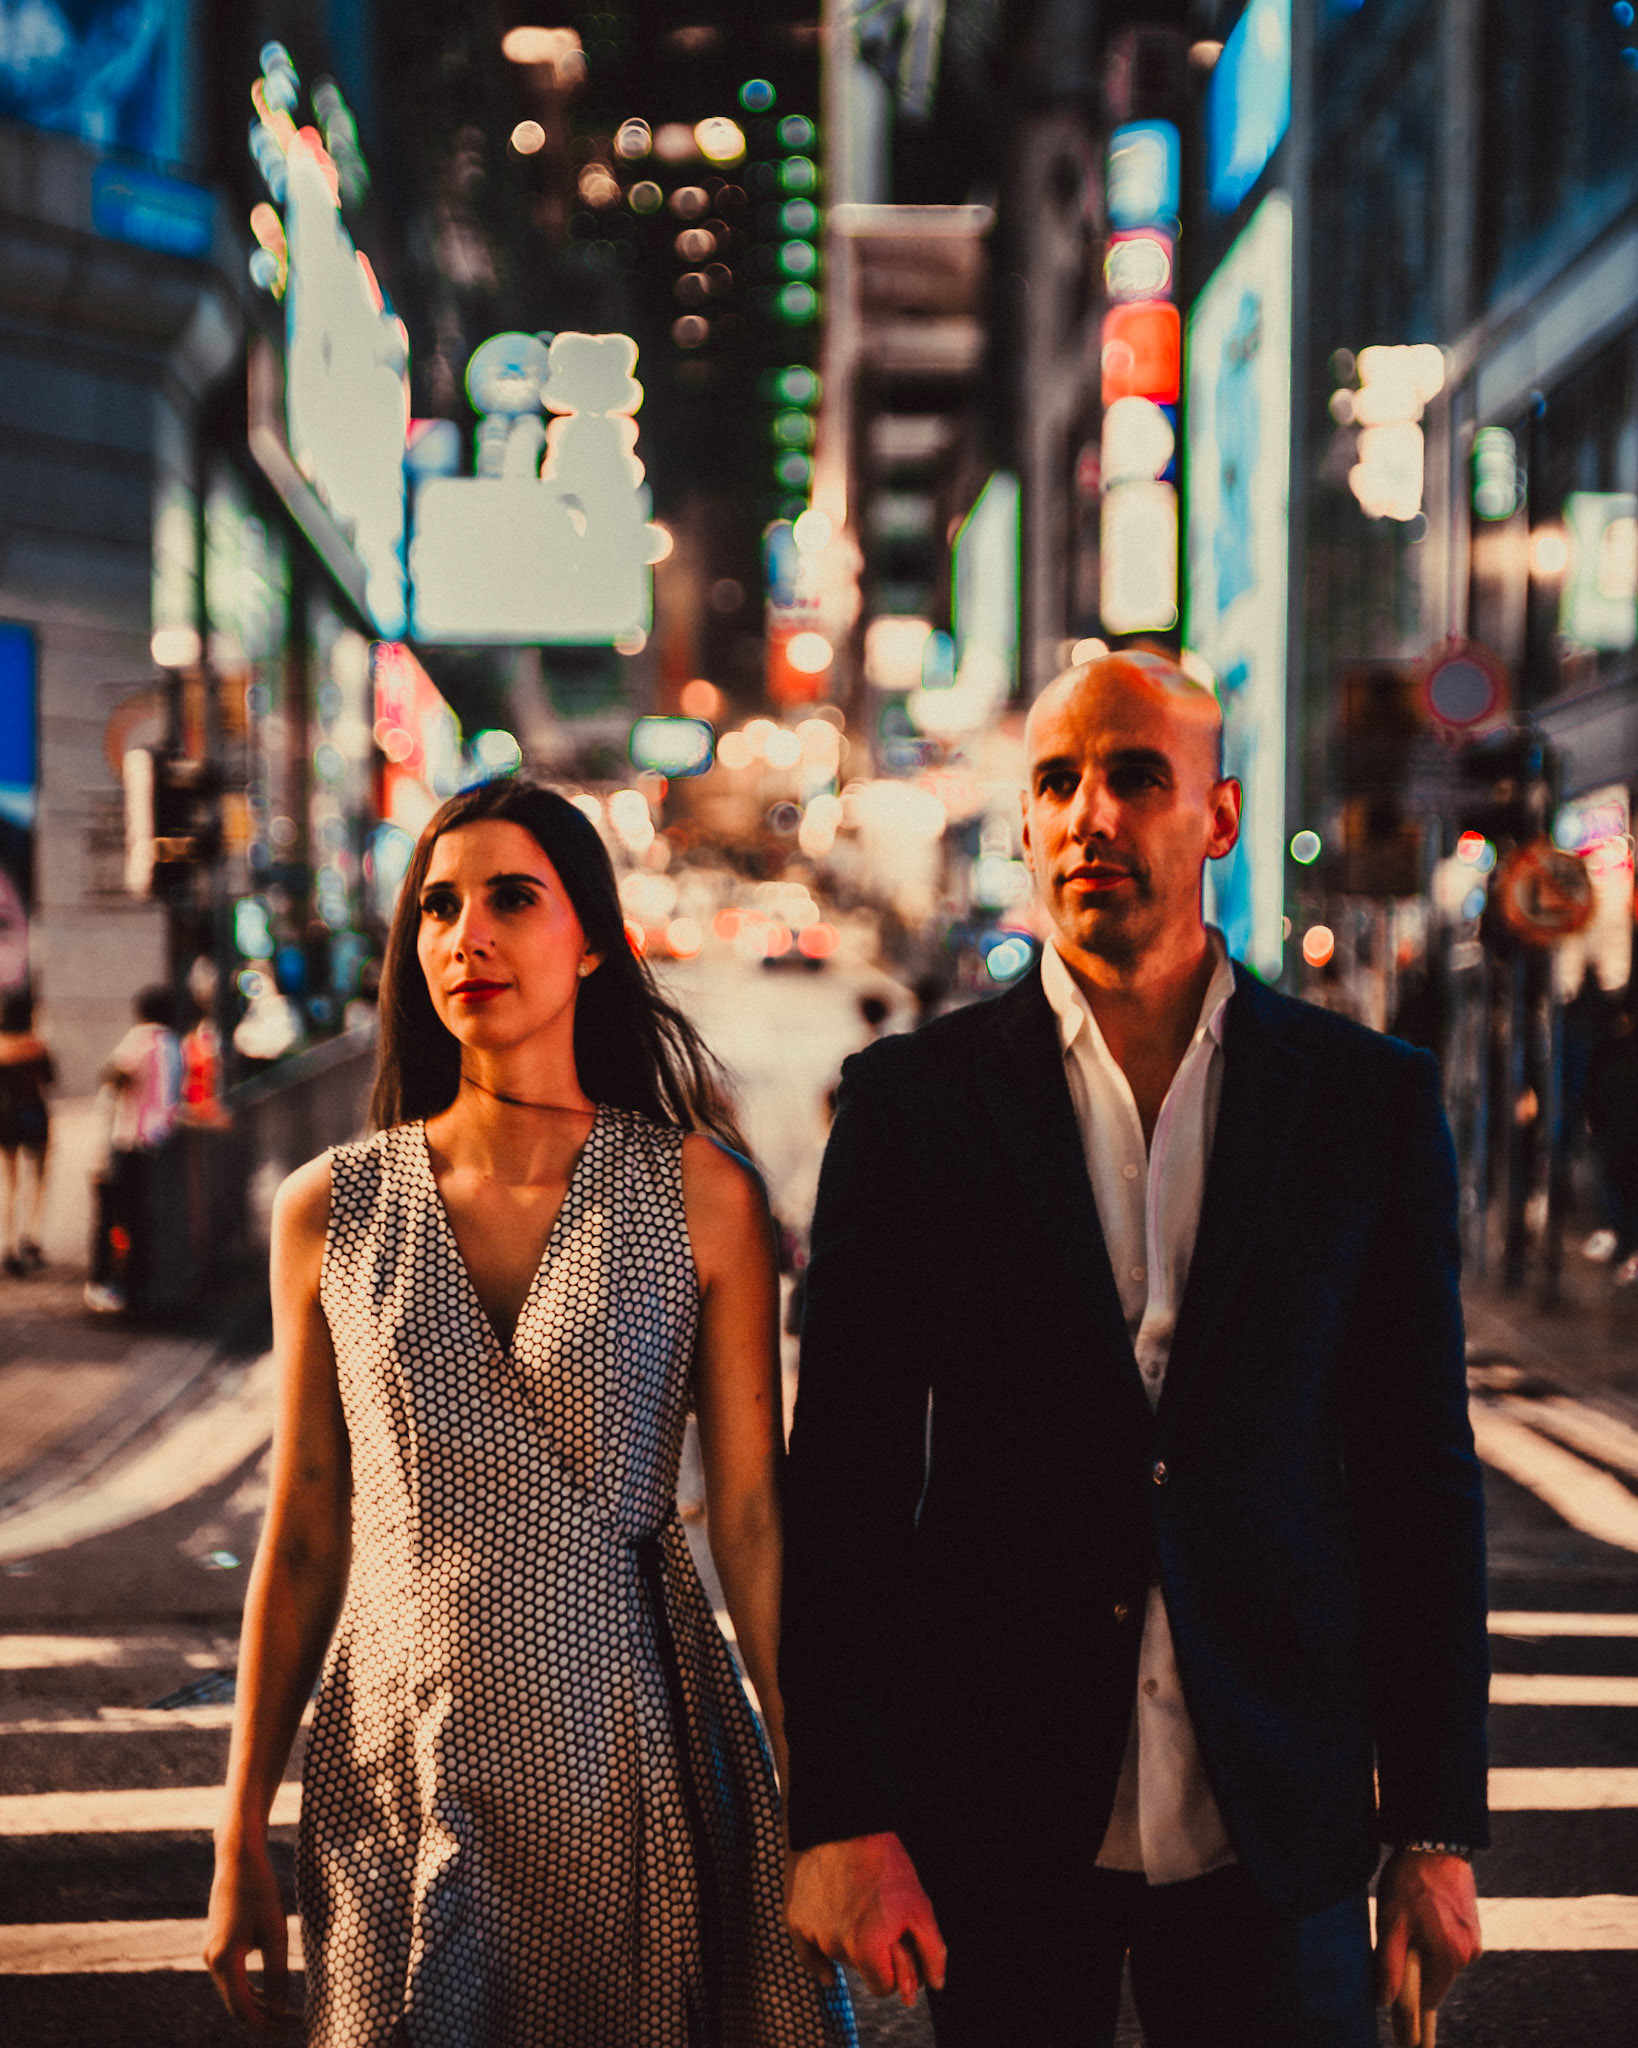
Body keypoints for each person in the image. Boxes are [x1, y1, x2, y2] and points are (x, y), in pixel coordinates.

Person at [781, 651, 1487, 2048]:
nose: (1090, 816)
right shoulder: (909, 1108)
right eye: (1056, 783)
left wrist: (1433, 1827)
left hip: (1274, 1811)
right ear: (1027, 823)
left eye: (1133, 779)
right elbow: (846, 1483)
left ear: (1216, 816)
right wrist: (844, 1816)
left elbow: (1415, 1472)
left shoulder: (1363, 1108)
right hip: (995, 1803)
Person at [206, 777, 855, 2048]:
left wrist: (820, 1808)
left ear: (593, 939)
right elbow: (303, 1536)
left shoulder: (699, 1191)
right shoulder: (329, 1211)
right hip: (397, 1755)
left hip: (630, 1753)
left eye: (513, 898)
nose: (468, 935)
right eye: (438, 908)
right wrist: (237, 1833)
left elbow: (754, 1523)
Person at [85, 983, 181, 1314]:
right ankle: (136, 1288)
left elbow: (113, 1075)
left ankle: (104, 1284)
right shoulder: (171, 1044)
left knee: (113, 1215)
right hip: (156, 1142)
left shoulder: (142, 1039)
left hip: (126, 1141)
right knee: (140, 1218)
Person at [0, 985, 52, 1275]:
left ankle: (7, 1245)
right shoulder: (37, 1046)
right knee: (38, 1179)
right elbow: (49, 1080)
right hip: (33, 1116)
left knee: (10, 1184)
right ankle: (30, 1236)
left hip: (4, 1121)